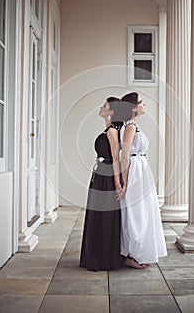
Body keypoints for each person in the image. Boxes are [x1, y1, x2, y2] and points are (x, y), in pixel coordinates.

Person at [118, 92, 167, 267]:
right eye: (141, 102)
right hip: (134, 172)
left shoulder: (132, 125)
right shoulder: (130, 126)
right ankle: (132, 255)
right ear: (133, 107)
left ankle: (139, 252)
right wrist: (124, 182)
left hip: (140, 170)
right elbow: (124, 155)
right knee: (136, 214)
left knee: (143, 212)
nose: (144, 104)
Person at [79, 97, 124, 271]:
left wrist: (117, 184)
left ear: (111, 112)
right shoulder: (108, 129)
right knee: (97, 215)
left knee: (104, 216)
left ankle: (104, 258)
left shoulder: (112, 131)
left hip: (106, 177)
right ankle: (95, 255)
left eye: (104, 106)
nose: (101, 107)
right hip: (100, 175)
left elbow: (115, 159)